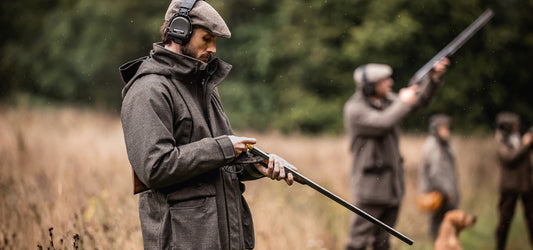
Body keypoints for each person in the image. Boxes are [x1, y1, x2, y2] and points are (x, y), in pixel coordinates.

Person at [119, 1, 296, 249]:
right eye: (206, 38)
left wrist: (259, 166)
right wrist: (223, 147)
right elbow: (155, 167)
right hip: (185, 241)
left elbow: (219, 163)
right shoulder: (148, 90)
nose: (212, 48)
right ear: (180, 31)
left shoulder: (204, 88)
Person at [343, 58, 449, 250]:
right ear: (369, 87)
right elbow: (383, 123)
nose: (390, 83)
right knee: (357, 243)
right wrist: (401, 101)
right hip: (369, 191)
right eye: (384, 80)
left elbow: (418, 102)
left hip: (392, 187)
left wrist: (433, 78)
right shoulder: (355, 109)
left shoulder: (388, 101)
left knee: (383, 244)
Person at [494, 112, 533, 250]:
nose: (517, 127)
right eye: (514, 125)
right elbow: (509, 158)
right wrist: (525, 144)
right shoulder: (500, 140)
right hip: (509, 187)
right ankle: (500, 247)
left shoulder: (520, 138)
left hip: (526, 185)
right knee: (504, 220)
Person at [418, 114, 459, 239]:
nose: (447, 130)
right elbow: (436, 174)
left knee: (439, 224)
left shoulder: (442, 144)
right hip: (439, 194)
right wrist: (447, 192)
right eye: (444, 127)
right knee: (439, 225)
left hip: (441, 193)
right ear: (436, 129)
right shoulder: (435, 147)